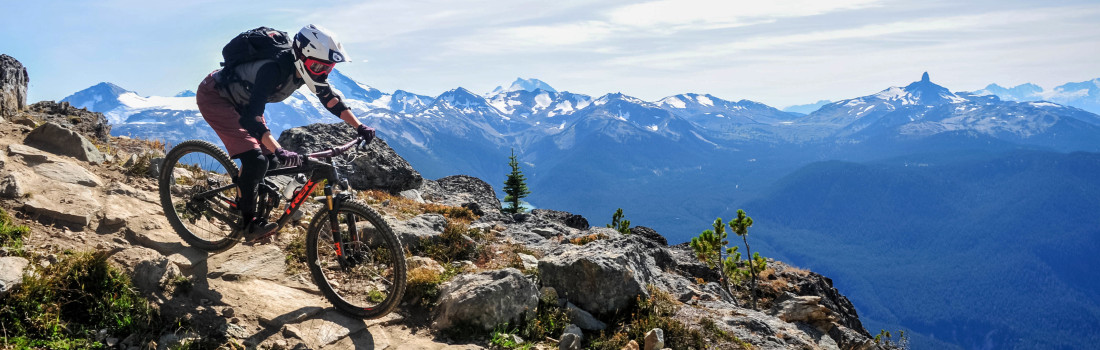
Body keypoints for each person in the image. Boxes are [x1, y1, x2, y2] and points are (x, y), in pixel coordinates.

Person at [196, 24, 375, 241]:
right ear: (301, 56)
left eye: (328, 68)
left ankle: (244, 197)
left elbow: (330, 99)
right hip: (217, 98)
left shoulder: (306, 70)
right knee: (256, 161)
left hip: (244, 101)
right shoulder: (273, 69)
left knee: (269, 161)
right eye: (318, 66)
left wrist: (359, 126)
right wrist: (280, 149)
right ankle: (248, 224)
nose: (323, 73)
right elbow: (252, 118)